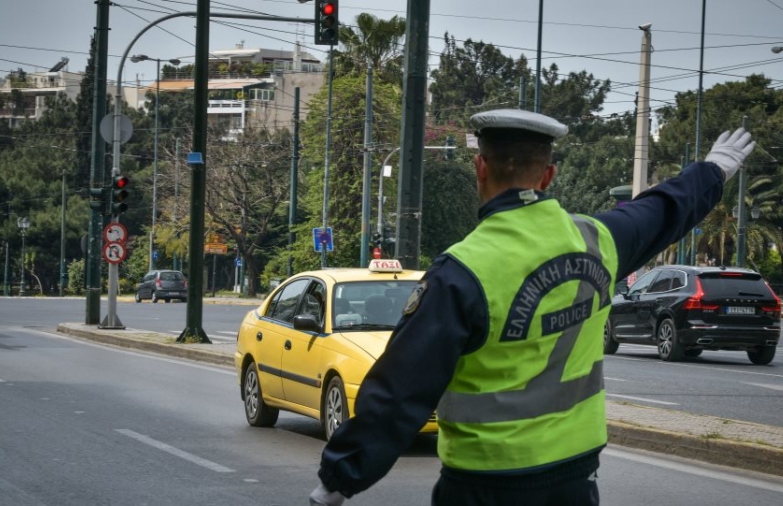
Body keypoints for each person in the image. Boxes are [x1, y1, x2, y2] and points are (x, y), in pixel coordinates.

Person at [309, 109, 755, 506]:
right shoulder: (598, 240)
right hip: (574, 477)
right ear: (548, 176)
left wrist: (339, 480)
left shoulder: (461, 271)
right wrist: (713, 170)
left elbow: (401, 390)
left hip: (485, 483)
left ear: (479, 168)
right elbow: (663, 209)